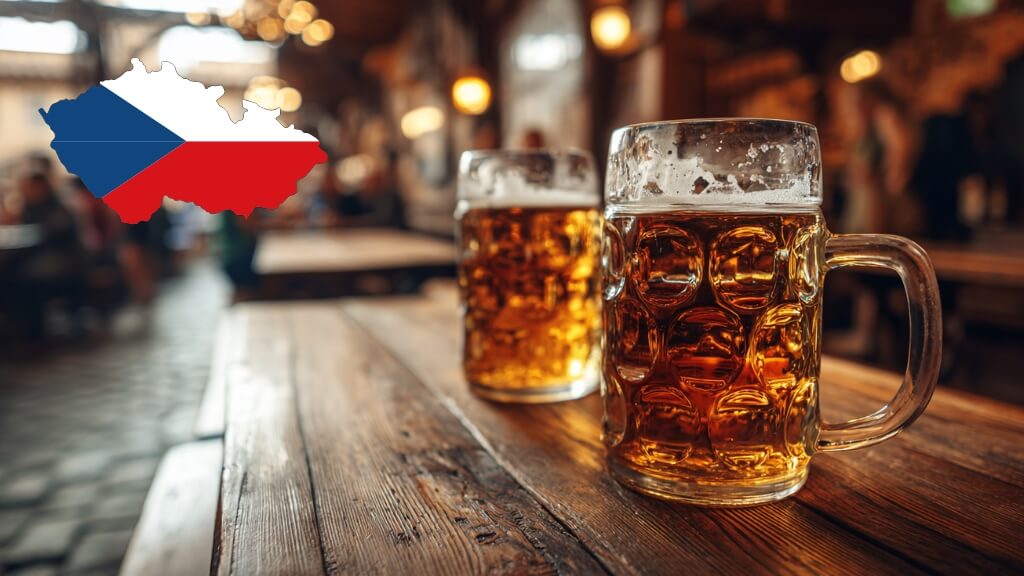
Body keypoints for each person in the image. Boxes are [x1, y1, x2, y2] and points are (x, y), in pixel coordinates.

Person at [5, 171, 85, 340]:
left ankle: (32, 330)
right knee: (11, 273)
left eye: (28, 187)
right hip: (39, 258)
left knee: (19, 276)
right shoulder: (30, 208)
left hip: (63, 261)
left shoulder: (58, 208)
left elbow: (47, 235)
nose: (25, 191)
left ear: (41, 187)